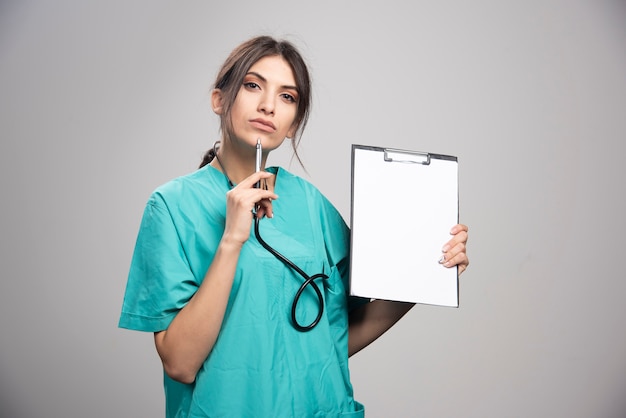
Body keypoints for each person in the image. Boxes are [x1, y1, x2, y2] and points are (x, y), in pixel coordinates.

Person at [118, 35, 469, 417]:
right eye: (253, 86)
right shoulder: (171, 206)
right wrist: (233, 238)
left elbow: (333, 338)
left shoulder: (311, 204)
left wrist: (426, 272)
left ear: (292, 124)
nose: (268, 105)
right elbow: (180, 363)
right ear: (219, 99)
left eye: (287, 97)